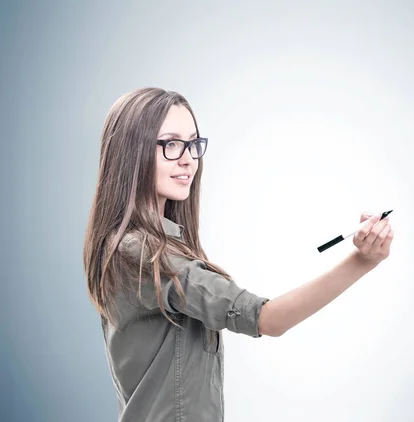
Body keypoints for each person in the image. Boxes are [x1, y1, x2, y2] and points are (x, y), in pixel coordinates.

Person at [83, 87, 395, 422]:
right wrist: (361, 262)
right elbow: (267, 318)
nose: (189, 158)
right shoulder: (143, 255)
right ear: (133, 151)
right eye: (171, 144)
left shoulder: (147, 248)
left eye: (193, 144)